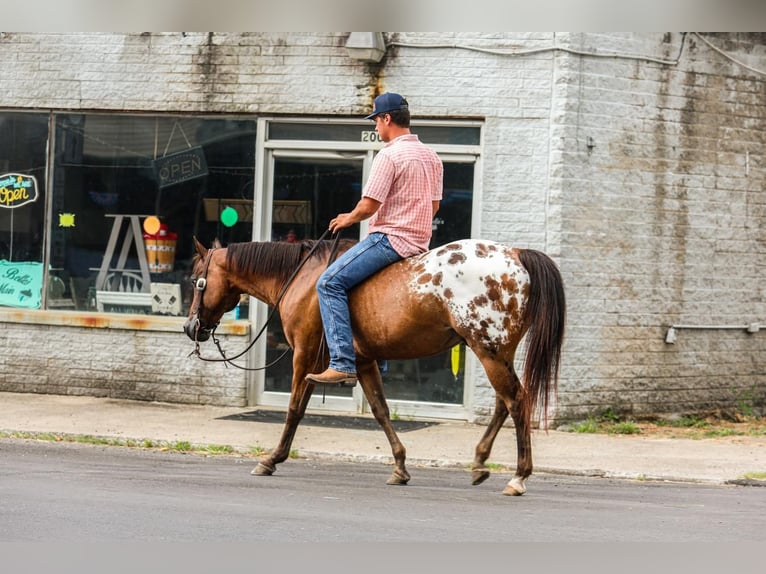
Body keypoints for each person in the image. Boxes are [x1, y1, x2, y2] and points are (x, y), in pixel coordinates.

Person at [305, 92, 444, 385]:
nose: (375, 128)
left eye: (376, 121)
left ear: (387, 118)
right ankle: (376, 363)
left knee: (329, 283)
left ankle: (342, 362)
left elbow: (369, 205)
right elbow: (434, 207)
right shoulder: (432, 157)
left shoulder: (389, 155)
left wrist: (347, 218)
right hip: (419, 246)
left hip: (389, 239)